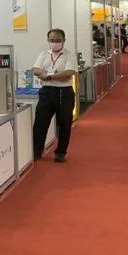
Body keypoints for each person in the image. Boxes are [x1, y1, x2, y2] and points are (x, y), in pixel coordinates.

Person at [32, 28, 78, 163]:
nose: (55, 43)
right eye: (52, 40)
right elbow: (35, 69)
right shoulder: (43, 54)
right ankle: (37, 150)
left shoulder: (69, 56)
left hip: (64, 92)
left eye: (58, 40)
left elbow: (68, 73)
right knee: (40, 122)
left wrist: (48, 76)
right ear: (48, 40)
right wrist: (55, 75)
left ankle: (61, 152)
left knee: (64, 123)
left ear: (63, 41)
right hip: (46, 92)